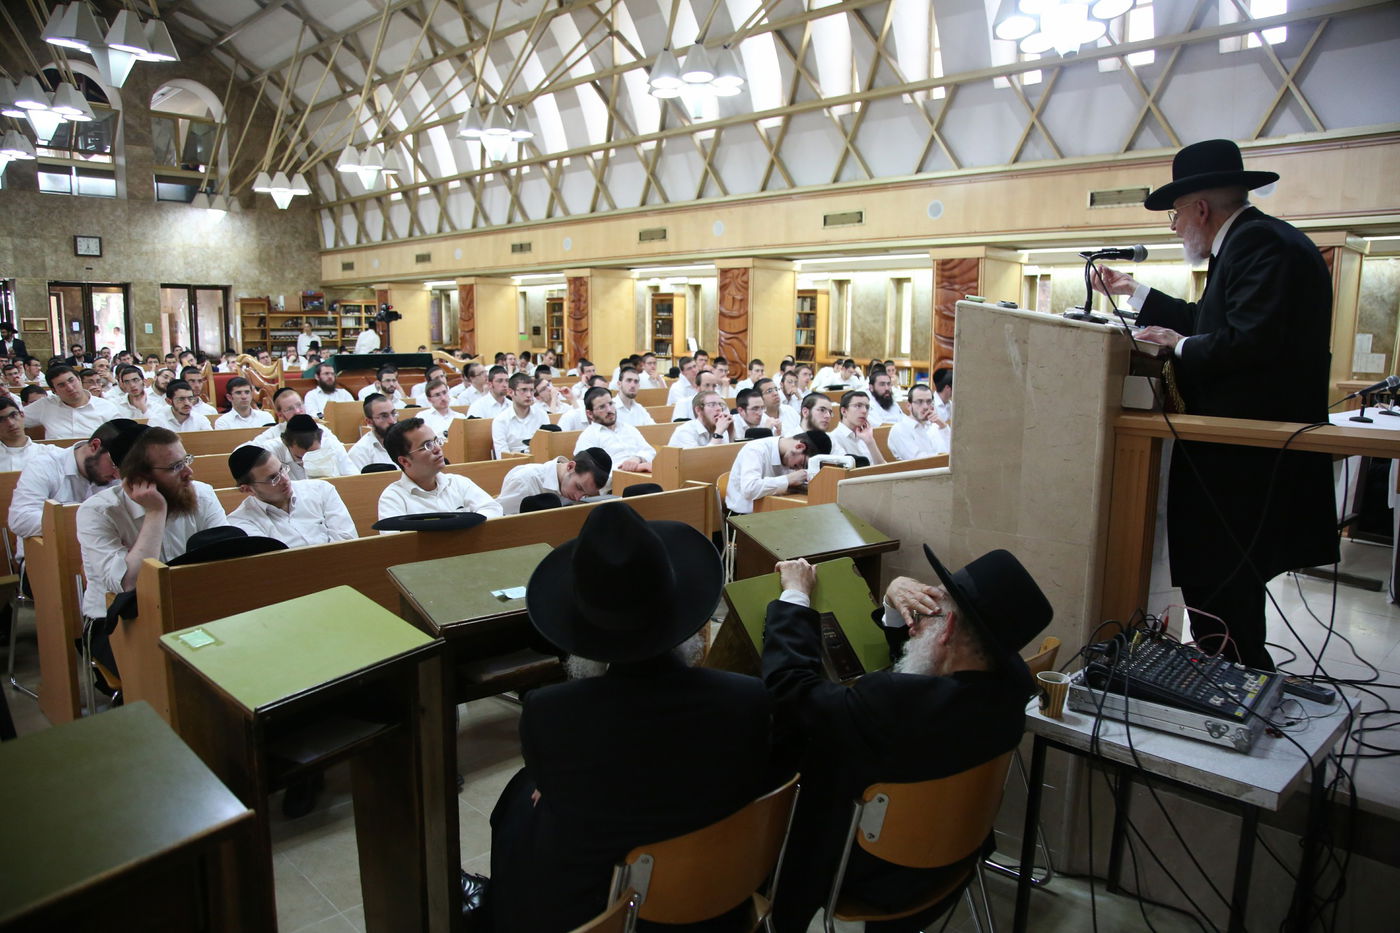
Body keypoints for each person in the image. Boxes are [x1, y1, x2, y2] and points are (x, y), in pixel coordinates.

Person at [1091, 138, 1337, 670]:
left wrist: (1175, 346)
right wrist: (1134, 292)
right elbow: (1211, 322)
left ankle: (1238, 698)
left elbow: (1248, 343)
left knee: (1221, 601)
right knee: (1224, 600)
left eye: (1177, 213)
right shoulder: (1253, 242)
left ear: (1200, 208)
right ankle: (1237, 690)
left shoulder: (1259, 246)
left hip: (1243, 465)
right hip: (1241, 464)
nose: (1174, 226)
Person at [487, 501, 773, 933]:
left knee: (518, 801)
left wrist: (554, 782)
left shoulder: (551, 713)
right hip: (716, 902)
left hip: (607, 912)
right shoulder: (747, 697)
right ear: (684, 616)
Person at [761, 546, 1051, 933]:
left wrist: (795, 595)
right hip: (953, 861)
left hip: (870, 872)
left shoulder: (889, 702)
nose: (920, 621)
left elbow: (792, 691)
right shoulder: (1010, 688)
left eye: (934, 607)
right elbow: (926, 682)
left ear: (946, 628)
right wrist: (895, 606)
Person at [76, 426, 230, 621]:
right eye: (175, 467)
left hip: (188, 606)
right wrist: (155, 512)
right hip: (118, 620)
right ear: (139, 479)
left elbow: (228, 557)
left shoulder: (201, 494)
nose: (188, 472)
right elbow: (130, 584)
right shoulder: (97, 512)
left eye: (186, 460)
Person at [8, 418, 136, 560]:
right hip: (46, 559)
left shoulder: (117, 476)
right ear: (94, 446)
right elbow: (20, 518)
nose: (118, 475)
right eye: (115, 466)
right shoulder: (44, 466)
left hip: (102, 556)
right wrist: (89, 523)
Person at [225, 445, 356, 547]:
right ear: (248, 489)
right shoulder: (240, 522)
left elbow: (347, 540)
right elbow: (273, 565)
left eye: (282, 469)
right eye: (273, 478)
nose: (284, 479)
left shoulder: (321, 490)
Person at [377, 418, 502, 523]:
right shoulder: (393, 498)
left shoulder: (458, 482)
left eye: (436, 441)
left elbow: (493, 509)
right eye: (427, 445)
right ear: (404, 461)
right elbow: (396, 542)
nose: (437, 449)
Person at [725, 430, 829, 514]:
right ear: (799, 447)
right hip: (742, 518)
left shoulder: (790, 455)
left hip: (771, 512)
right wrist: (789, 479)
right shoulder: (755, 450)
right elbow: (749, 489)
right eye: (804, 464)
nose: (798, 469)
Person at [495, 448, 610, 515]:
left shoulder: (572, 486)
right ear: (570, 467)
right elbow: (501, 523)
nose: (577, 498)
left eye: (585, 495)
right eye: (579, 487)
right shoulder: (524, 481)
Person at [22, 365, 121, 439]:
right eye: (61, 385)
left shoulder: (106, 407)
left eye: (71, 380)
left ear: (79, 380)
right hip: (57, 461)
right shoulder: (46, 405)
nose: (69, 388)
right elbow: (14, 418)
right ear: (54, 391)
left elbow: (122, 438)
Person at [574, 387, 655, 475]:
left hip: (645, 475)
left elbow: (650, 452)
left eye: (611, 403)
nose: (609, 410)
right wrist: (634, 468)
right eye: (602, 407)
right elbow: (591, 474)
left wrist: (638, 458)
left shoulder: (628, 428)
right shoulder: (588, 436)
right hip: (616, 485)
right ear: (590, 414)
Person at [279, 414, 355, 479]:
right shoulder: (274, 452)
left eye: (313, 454)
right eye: (300, 458)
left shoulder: (332, 446)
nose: (306, 464)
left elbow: (353, 478)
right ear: (287, 445)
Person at [492, 373, 547, 457]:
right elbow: (502, 456)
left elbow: (547, 447)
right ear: (510, 392)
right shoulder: (500, 421)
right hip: (513, 465)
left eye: (531, 390)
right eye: (523, 390)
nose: (529, 395)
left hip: (540, 463)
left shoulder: (542, 415)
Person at [888, 384, 948, 460]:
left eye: (929, 401)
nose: (925, 407)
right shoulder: (900, 429)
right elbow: (917, 461)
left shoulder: (935, 426)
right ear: (909, 406)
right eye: (920, 402)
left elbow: (954, 452)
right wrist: (943, 456)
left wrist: (943, 426)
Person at [830, 390, 884, 465]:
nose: (864, 411)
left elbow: (882, 468)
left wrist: (870, 441)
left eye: (867, 407)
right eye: (858, 406)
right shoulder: (833, 438)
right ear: (844, 411)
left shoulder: (864, 436)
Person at [668, 390, 735, 447]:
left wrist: (731, 433)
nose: (719, 408)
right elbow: (701, 460)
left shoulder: (721, 429)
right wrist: (718, 434)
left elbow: (725, 457)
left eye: (720, 404)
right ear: (698, 410)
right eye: (712, 405)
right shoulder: (685, 431)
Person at [349, 394, 398, 471]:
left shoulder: (406, 443)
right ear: (369, 422)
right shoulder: (359, 452)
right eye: (384, 416)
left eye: (393, 413)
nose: (392, 421)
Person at [148, 380, 213, 432]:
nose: (187, 403)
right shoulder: (157, 421)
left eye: (190, 398)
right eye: (181, 399)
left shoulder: (200, 419)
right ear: (169, 401)